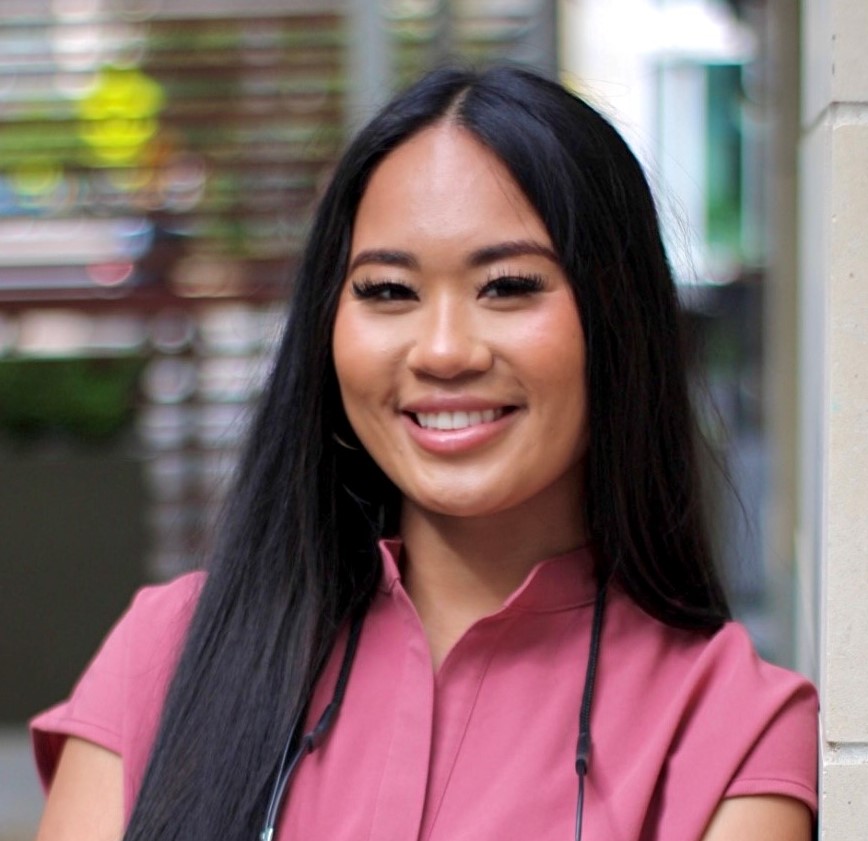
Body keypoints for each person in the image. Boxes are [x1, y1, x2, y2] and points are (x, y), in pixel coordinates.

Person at [31, 65, 817, 841]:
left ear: (619, 319)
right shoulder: (167, 653)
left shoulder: (734, 732)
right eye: (387, 291)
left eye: (508, 285)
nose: (442, 351)